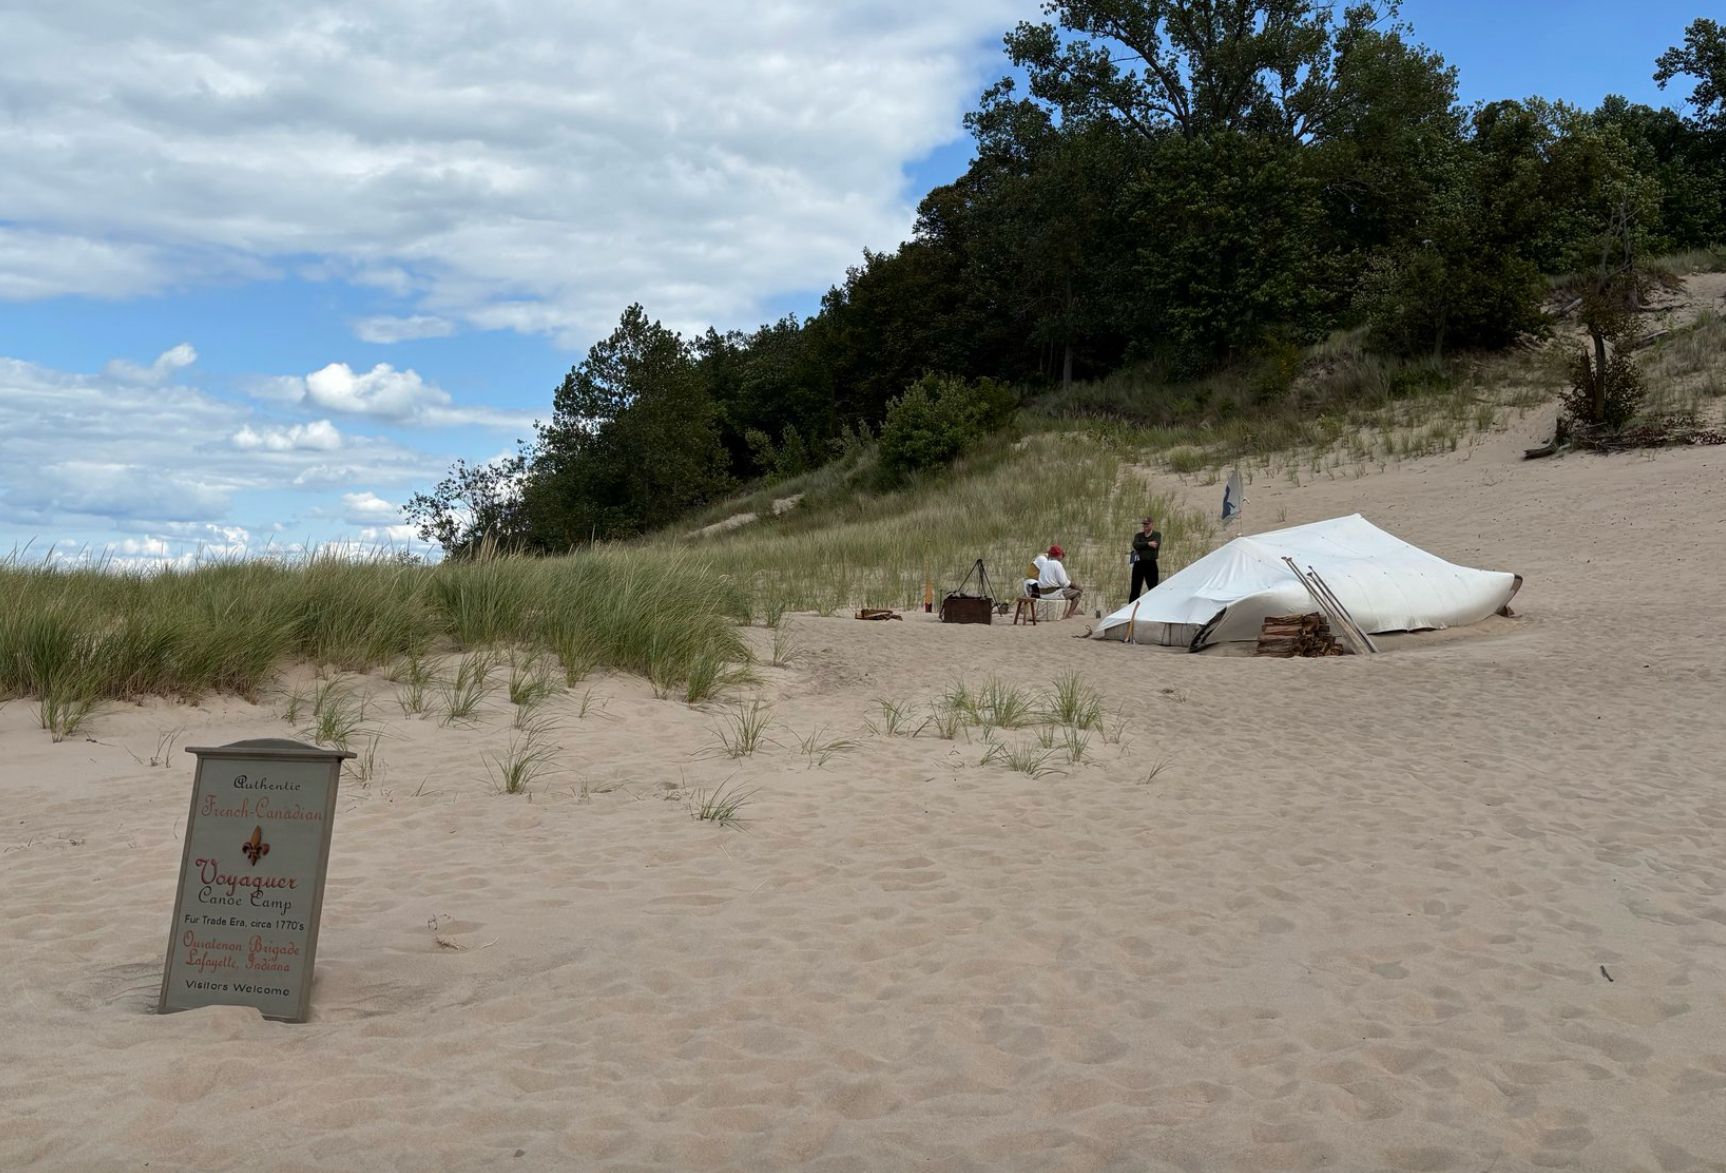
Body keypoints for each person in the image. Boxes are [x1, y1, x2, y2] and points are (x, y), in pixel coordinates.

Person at [1029, 544, 1083, 618]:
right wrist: (1076, 586)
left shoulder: (1045, 563)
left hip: (1042, 593)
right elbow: (1064, 582)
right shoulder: (1057, 564)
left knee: (1068, 589)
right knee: (1077, 593)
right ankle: (1070, 614)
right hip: (1052, 594)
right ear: (1058, 555)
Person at [1128, 517, 1161, 601]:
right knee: (1135, 589)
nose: (1145, 526)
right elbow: (1135, 544)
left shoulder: (1156, 534)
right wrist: (1148, 544)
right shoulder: (1138, 535)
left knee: (1153, 588)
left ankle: (1153, 609)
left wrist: (1143, 545)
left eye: (1147, 524)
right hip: (1138, 563)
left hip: (1150, 564)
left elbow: (1155, 545)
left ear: (1151, 524)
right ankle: (1131, 609)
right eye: (1144, 524)